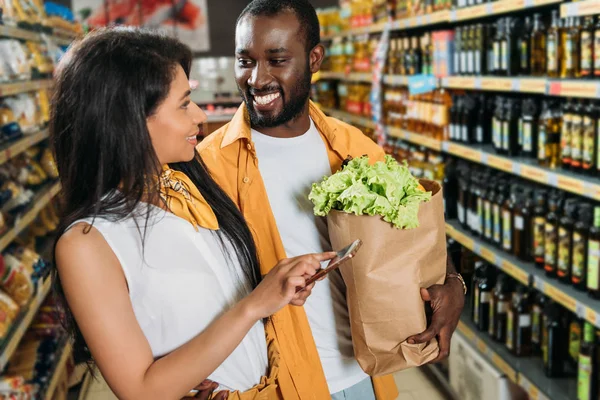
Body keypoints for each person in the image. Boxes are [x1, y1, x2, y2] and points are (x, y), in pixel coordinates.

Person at [198, 1, 466, 399]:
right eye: (245, 60)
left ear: (314, 58)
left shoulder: (351, 146)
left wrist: (453, 282)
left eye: (277, 60)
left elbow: (411, 226)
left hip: (362, 374)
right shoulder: (208, 165)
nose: (257, 78)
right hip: (270, 384)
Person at [51, 27, 334, 400]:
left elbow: (211, 296)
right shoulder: (88, 244)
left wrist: (275, 287)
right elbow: (141, 390)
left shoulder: (189, 185)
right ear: (129, 119)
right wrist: (254, 305)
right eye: (184, 103)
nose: (200, 116)